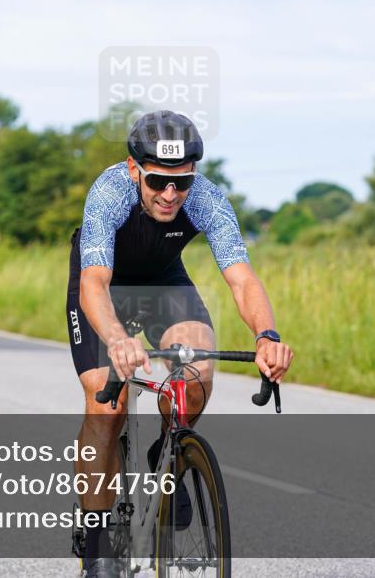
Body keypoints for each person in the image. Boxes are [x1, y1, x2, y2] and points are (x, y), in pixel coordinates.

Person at [66, 110, 294, 577]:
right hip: (103, 287)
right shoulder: (109, 192)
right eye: (157, 182)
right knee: (106, 404)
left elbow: (242, 279)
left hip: (164, 284)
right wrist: (115, 339)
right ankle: (96, 539)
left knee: (196, 371)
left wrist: (267, 336)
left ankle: (169, 447)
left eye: (182, 183)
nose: (171, 195)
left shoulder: (207, 198)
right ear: (135, 171)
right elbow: (93, 282)